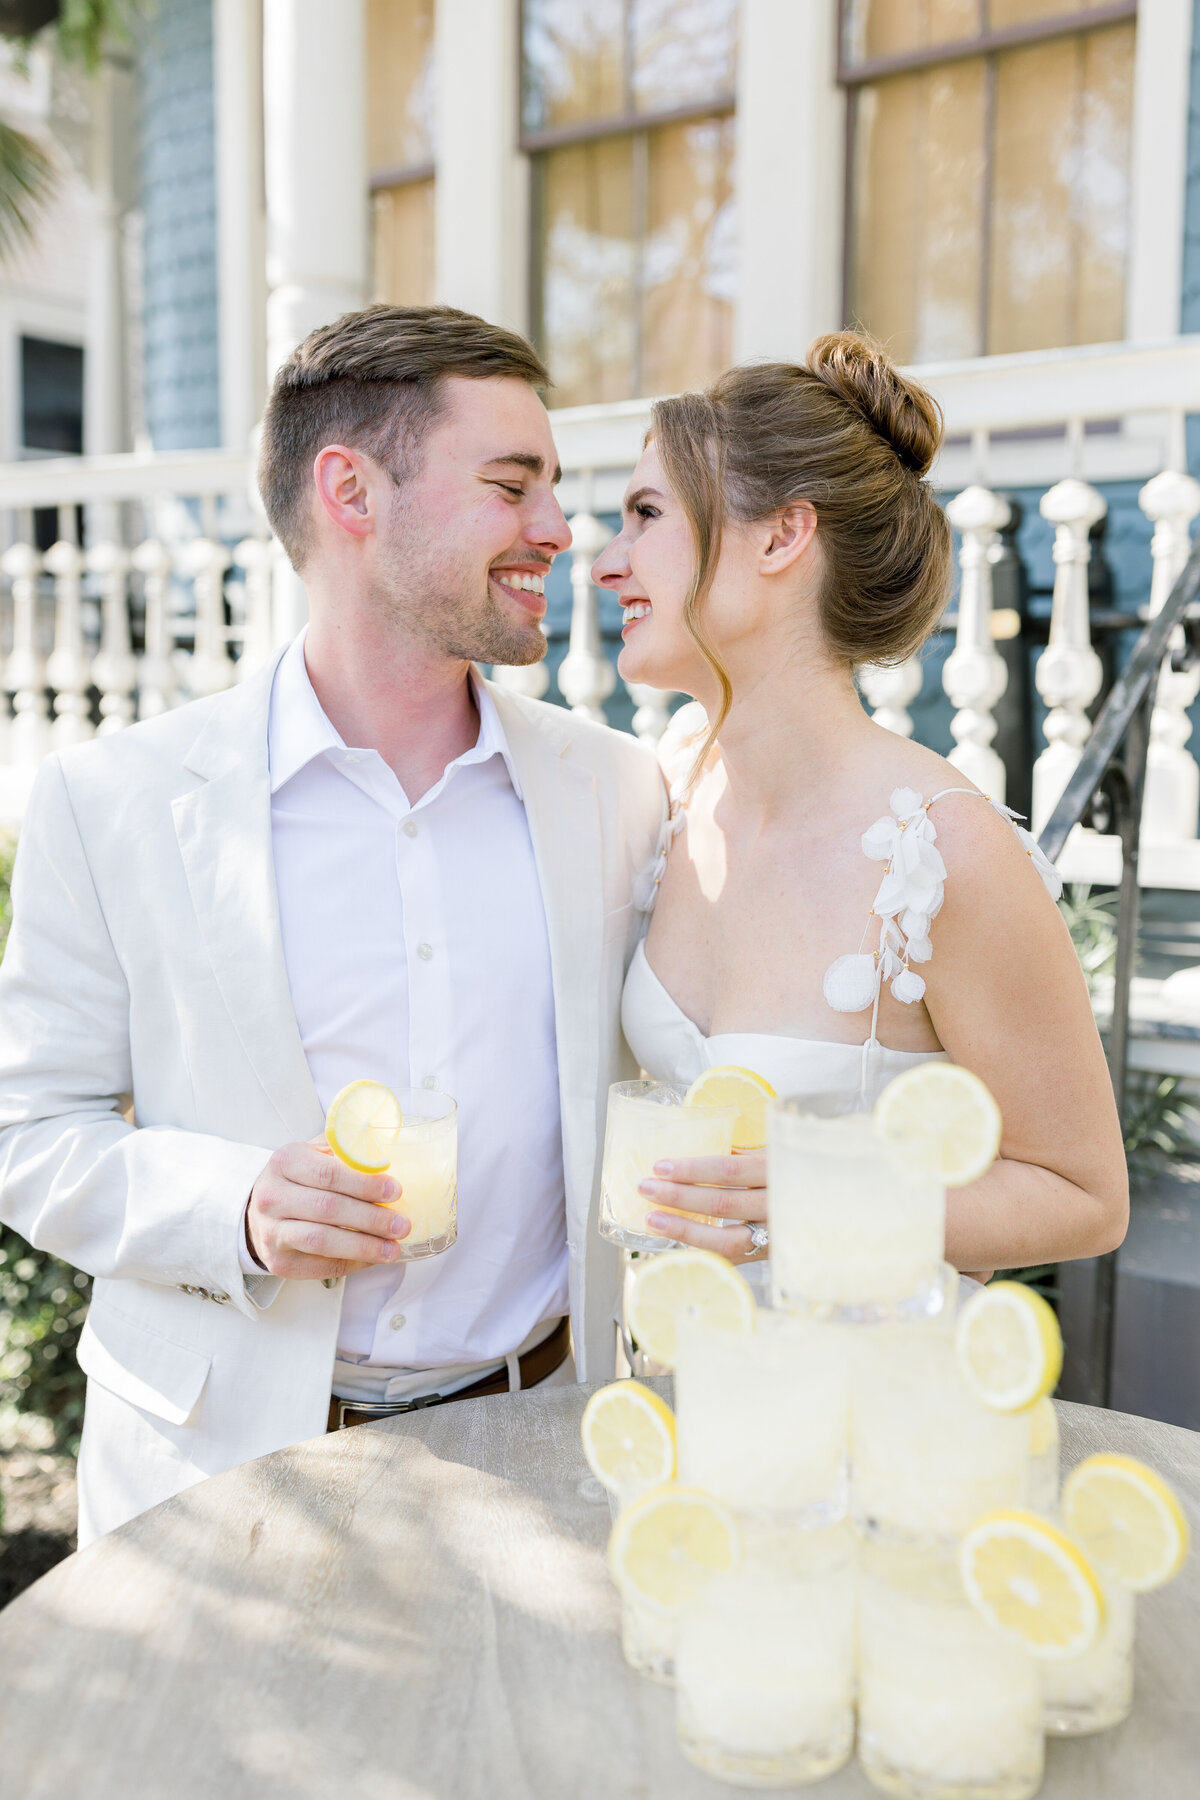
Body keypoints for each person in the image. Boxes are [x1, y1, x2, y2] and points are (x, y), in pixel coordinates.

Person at [0, 305, 663, 1545]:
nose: (560, 532)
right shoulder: (112, 802)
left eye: (556, 491)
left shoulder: (618, 790)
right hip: (216, 1485)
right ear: (352, 491)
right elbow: (28, 1132)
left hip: (541, 1467)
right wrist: (235, 1206)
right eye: (512, 486)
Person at [592, 332, 1128, 1281]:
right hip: (667, 1399)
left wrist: (830, 1190)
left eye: (644, 514)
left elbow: (1083, 1198)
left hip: (868, 1407)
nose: (607, 562)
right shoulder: (669, 792)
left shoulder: (943, 855)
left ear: (781, 537)